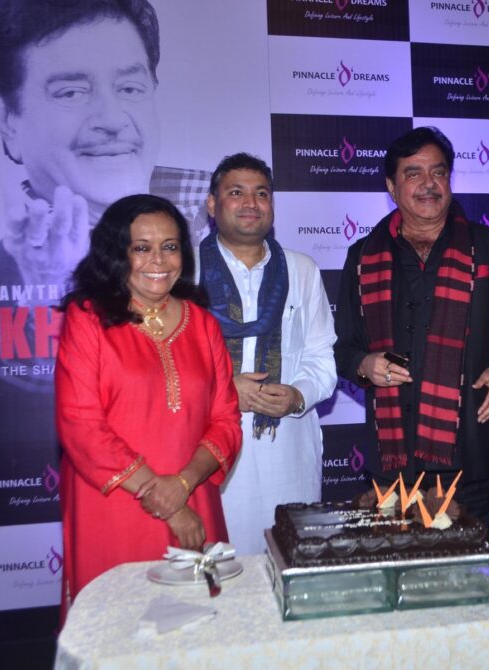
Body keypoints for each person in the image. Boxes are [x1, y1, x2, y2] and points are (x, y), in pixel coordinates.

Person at [0, 0, 210, 449]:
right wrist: (49, 292)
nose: (113, 120)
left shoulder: (211, 221)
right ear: (8, 120)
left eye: (131, 88)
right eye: (71, 92)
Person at [55, 194, 242, 616]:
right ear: (116, 253)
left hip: (193, 499)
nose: (158, 259)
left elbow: (226, 420)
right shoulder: (87, 318)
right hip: (115, 504)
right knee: (119, 630)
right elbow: (81, 425)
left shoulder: (204, 323)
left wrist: (182, 488)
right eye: (141, 247)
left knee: (198, 634)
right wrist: (166, 500)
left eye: (170, 246)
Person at [334, 126, 489, 527]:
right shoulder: (362, 258)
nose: (429, 184)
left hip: (469, 459)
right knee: (399, 581)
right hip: (392, 462)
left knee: (470, 582)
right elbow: (343, 349)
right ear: (392, 188)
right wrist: (364, 364)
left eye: (439, 172)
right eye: (414, 174)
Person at [199, 153, 337, 555]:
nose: (250, 203)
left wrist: (297, 396)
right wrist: (224, 391)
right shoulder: (184, 271)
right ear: (212, 204)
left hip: (289, 451)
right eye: (236, 193)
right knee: (219, 575)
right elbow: (165, 372)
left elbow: (322, 358)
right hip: (208, 454)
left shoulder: (301, 269)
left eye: (261, 194)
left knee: (291, 565)